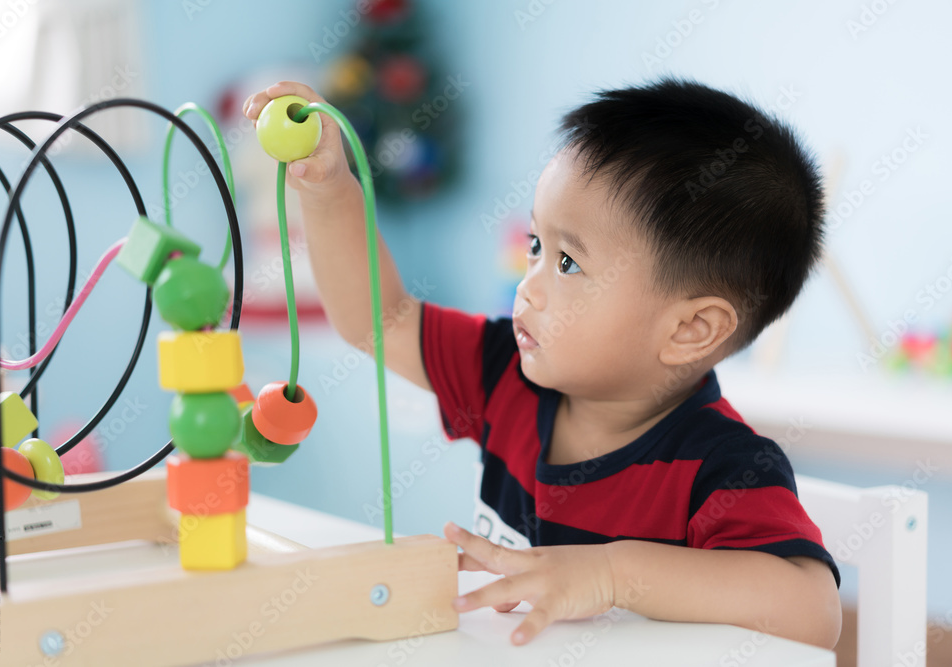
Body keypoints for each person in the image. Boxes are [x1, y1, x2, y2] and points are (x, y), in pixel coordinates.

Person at [243, 78, 842, 649]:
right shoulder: (506, 371)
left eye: (567, 263)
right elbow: (381, 321)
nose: (526, 289)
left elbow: (813, 611)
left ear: (689, 329)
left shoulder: (726, 466)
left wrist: (610, 572)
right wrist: (328, 190)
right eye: (536, 246)